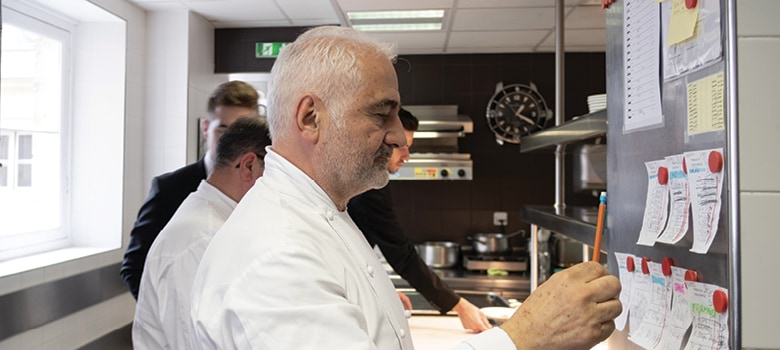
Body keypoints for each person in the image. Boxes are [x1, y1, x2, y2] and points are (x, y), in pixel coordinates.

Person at [190, 26, 621, 350]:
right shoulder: (275, 254)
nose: (398, 136)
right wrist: (525, 336)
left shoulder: (325, 213)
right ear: (310, 118)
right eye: (382, 114)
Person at [133, 116, 271, 350]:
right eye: (273, 172)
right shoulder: (198, 240)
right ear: (249, 165)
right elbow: (193, 342)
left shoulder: (219, 222)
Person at [348, 107, 491, 332]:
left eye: (409, 147)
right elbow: (402, 255)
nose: (407, 156)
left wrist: (380, 289)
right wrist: (459, 306)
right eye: (401, 146)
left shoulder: (366, 180)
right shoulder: (368, 189)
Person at [120, 81, 259, 299]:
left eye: (242, 133)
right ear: (206, 128)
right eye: (224, 130)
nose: (233, 142)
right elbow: (135, 267)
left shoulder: (261, 189)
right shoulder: (170, 189)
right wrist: (162, 310)